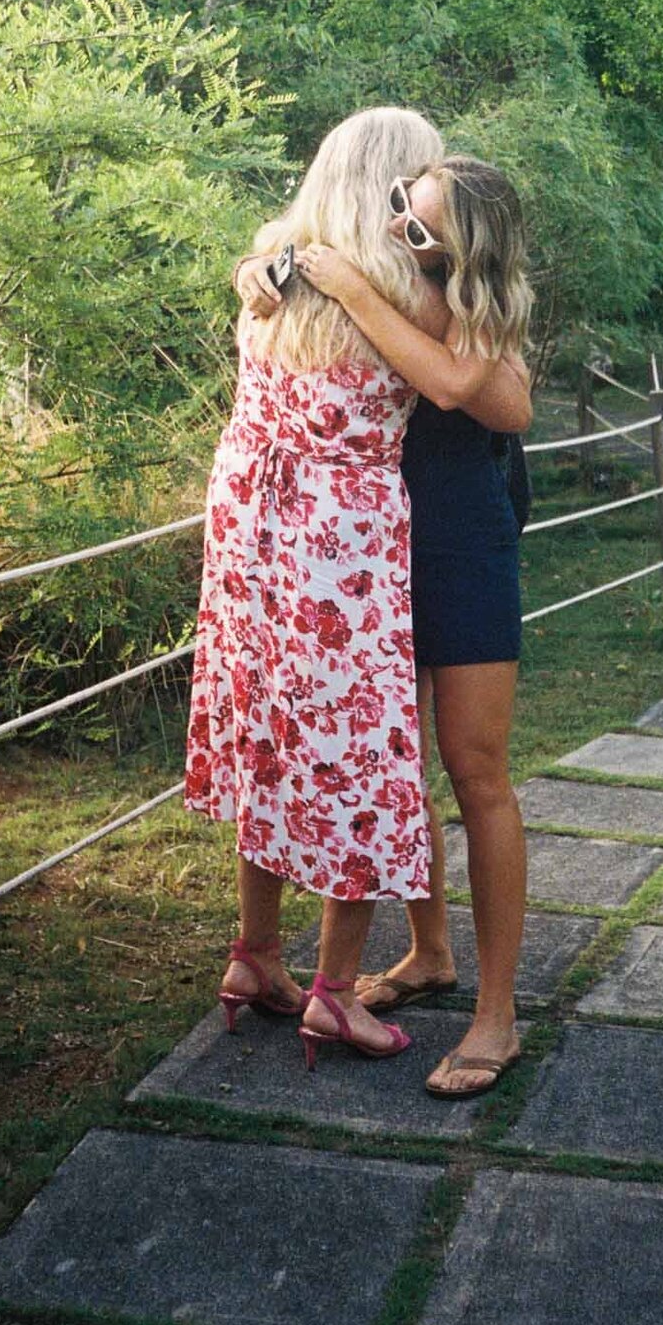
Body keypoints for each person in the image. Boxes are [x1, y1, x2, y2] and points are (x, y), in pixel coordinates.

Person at [239, 154, 533, 1098]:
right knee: (386, 756)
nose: (405, 227)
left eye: (425, 228)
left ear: (466, 247)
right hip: (362, 550)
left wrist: (365, 290)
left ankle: (497, 1017)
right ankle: (430, 952)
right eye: (400, 206)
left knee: (475, 768)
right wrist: (265, 267)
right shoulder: (350, 260)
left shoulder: (470, 306)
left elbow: (480, 395)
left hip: (458, 545)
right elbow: (272, 277)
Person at [185, 107, 443, 1066]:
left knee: (268, 733)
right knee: (357, 753)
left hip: (251, 519)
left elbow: (255, 284)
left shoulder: (274, 259)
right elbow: (467, 383)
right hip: (340, 537)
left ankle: (255, 954)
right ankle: (334, 992)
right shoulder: (412, 288)